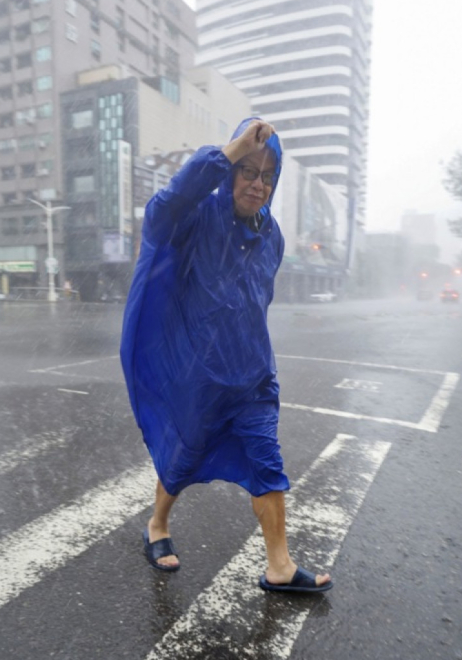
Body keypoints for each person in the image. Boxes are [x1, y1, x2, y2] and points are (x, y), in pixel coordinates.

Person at [120, 118, 332, 593]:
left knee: (267, 462)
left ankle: (279, 565)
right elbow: (161, 211)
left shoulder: (272, 237)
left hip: (252, 378)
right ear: (230, 170)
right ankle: (157, 524)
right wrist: (228, 150)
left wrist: (258, 364)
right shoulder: (197, 217)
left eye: (267, 176)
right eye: (247, 171)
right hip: (200, 379)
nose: (257, 184)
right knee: (181, 461)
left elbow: (256, 302)